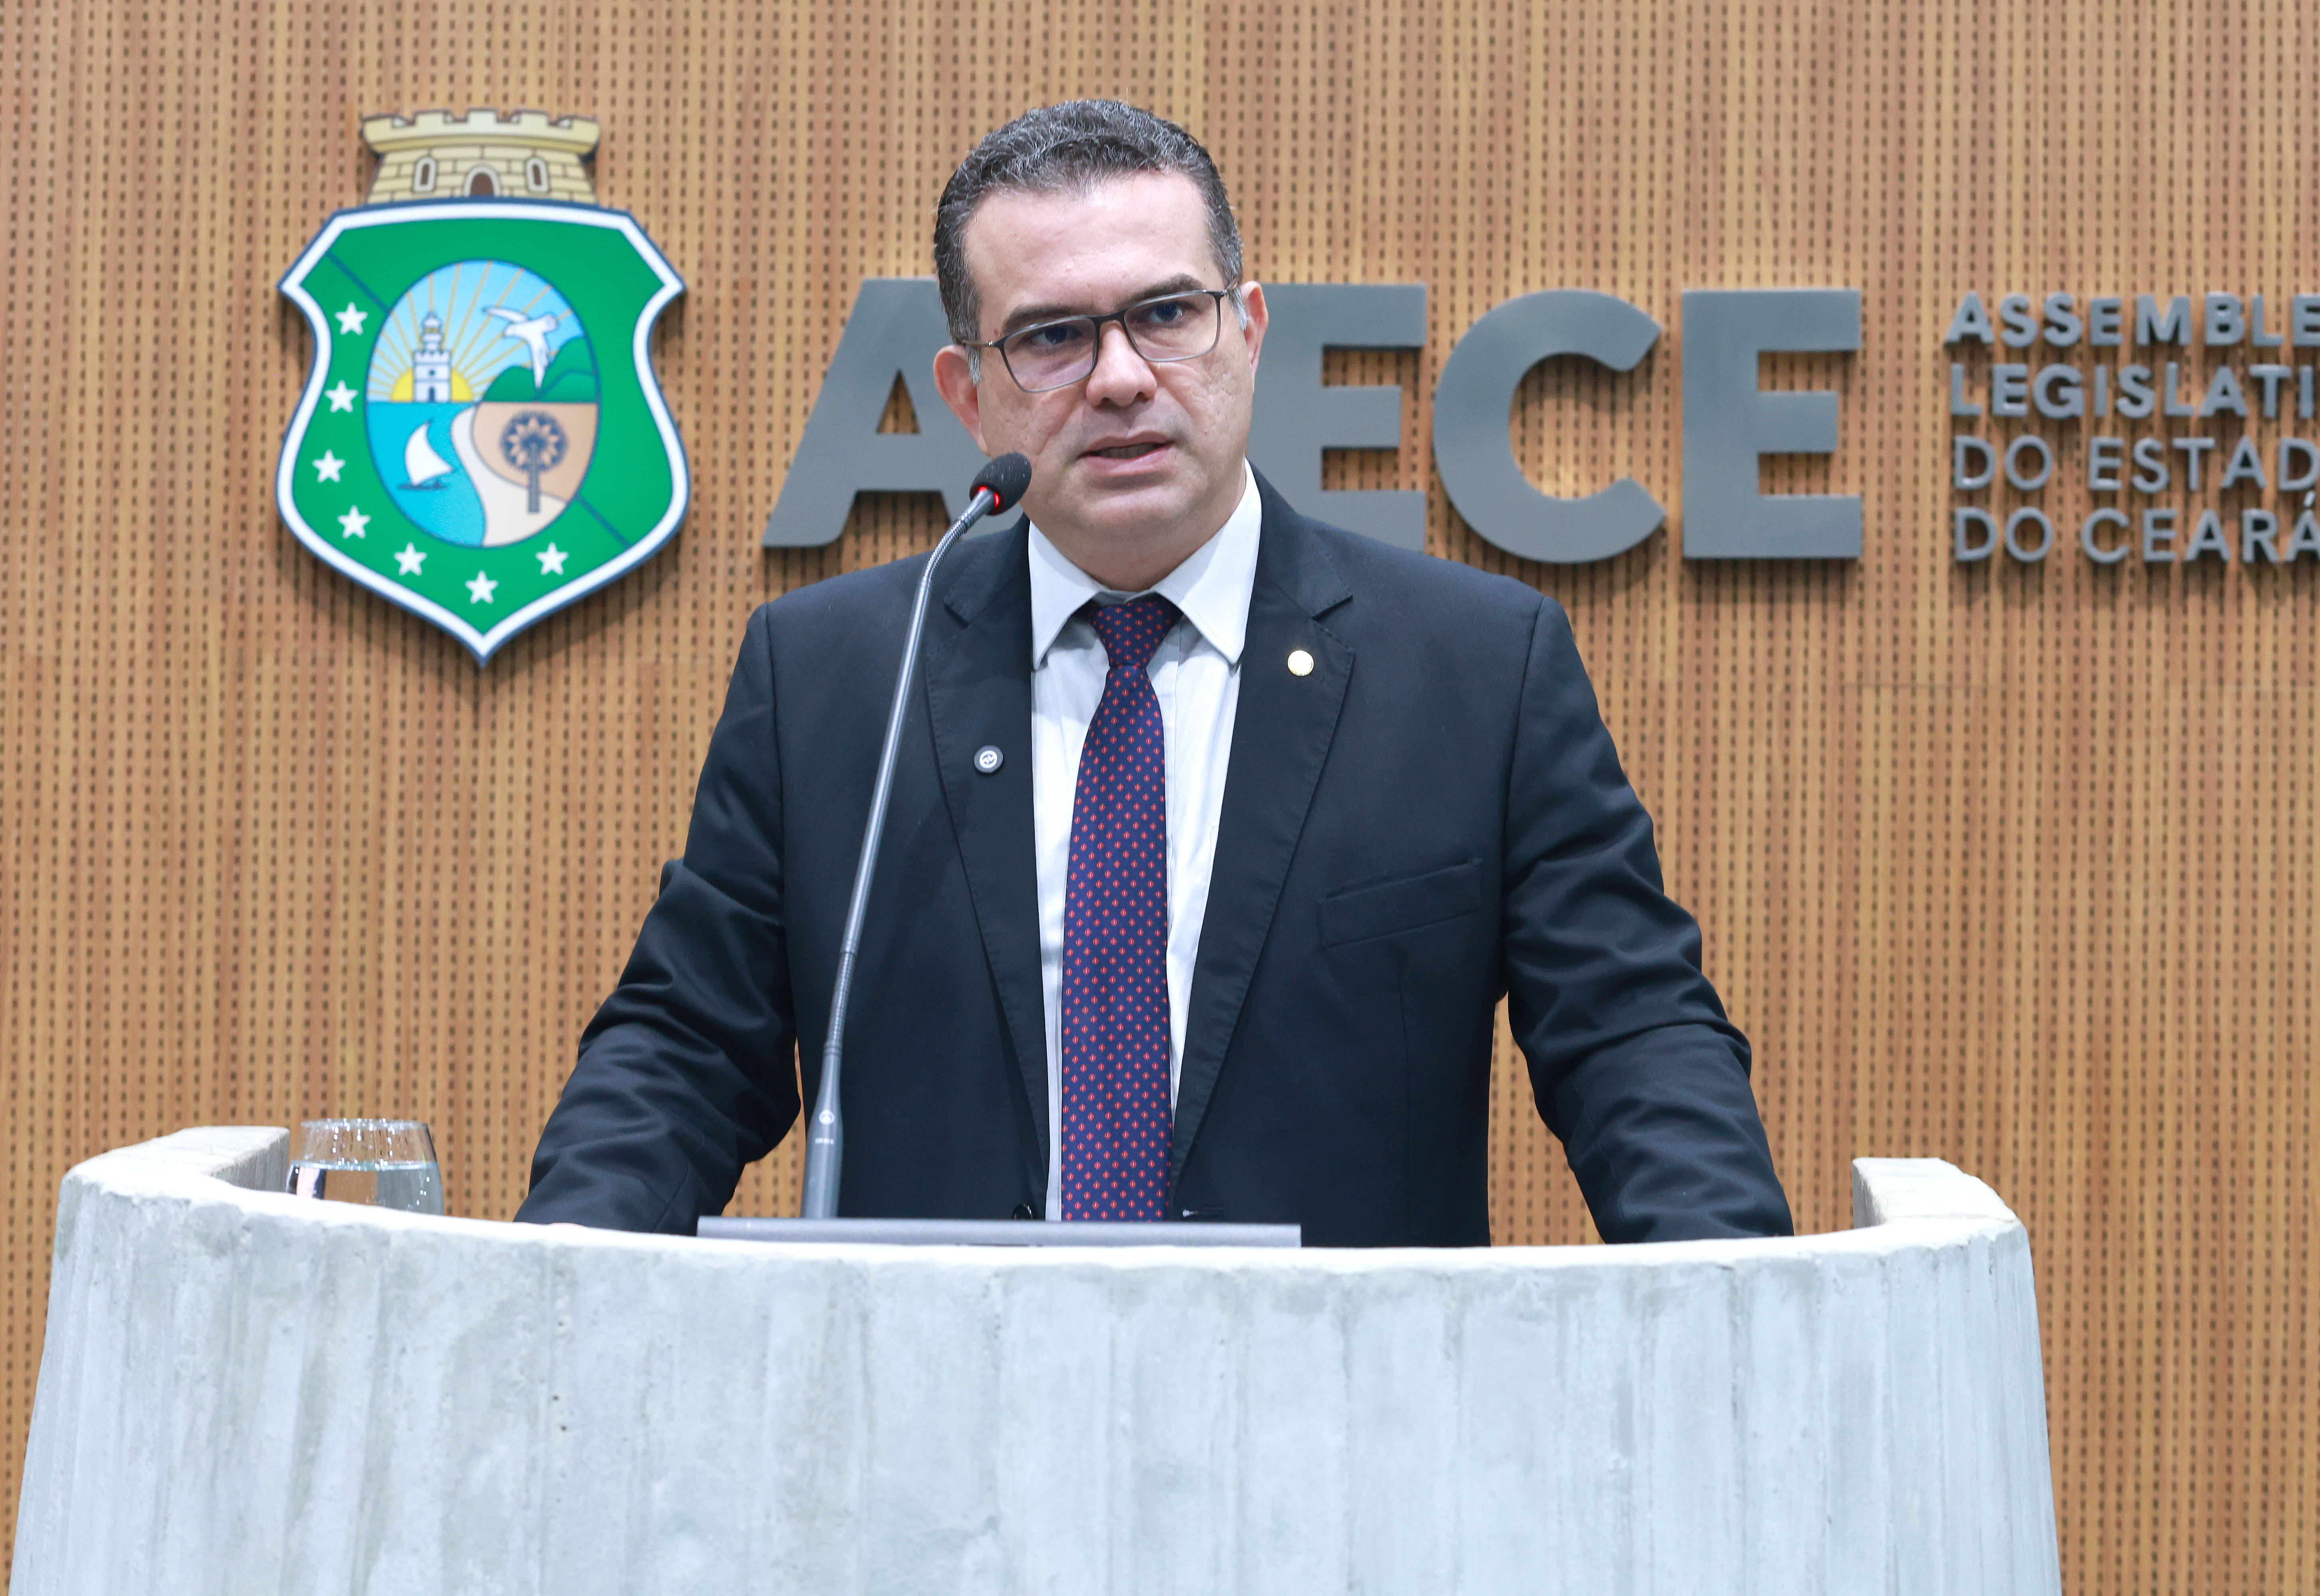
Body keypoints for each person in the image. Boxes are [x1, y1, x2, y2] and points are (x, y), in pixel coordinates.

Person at [518, 100, 1792, 1245]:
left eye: (1168, 315)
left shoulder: (1475, 669)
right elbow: (685, 1051)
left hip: (1343, 1407)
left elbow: (1634, 1039)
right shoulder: (838, 677)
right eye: (1053, 337)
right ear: (969, 393)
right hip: (936, 1410)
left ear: (1249, 332)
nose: (1122, 379)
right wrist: (554, 1282)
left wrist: (1740, 1308)